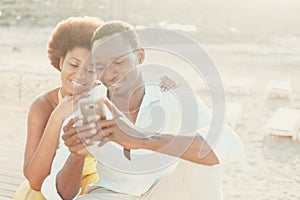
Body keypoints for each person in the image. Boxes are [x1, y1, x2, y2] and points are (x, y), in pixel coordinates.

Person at [42, 21, 243, 200]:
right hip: (111, 195)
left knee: (203, 160)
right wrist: (76, 156)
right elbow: (61, 194)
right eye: (101, 66)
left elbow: (229, 143)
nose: (110, 74)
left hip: (165, 192)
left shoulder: (171, 93)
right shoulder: (88, 106)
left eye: (119, 62)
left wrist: (143, 139)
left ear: (139, 56)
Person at [13, 17, 176, 200]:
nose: (80, 75)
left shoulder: (100, 99)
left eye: (91, 69)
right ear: (61, 64)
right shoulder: (44, 104)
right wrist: (57, 117)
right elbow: (35, 181)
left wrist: (163, 85)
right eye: (74, 65)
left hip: (93, 188)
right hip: (46, 192)